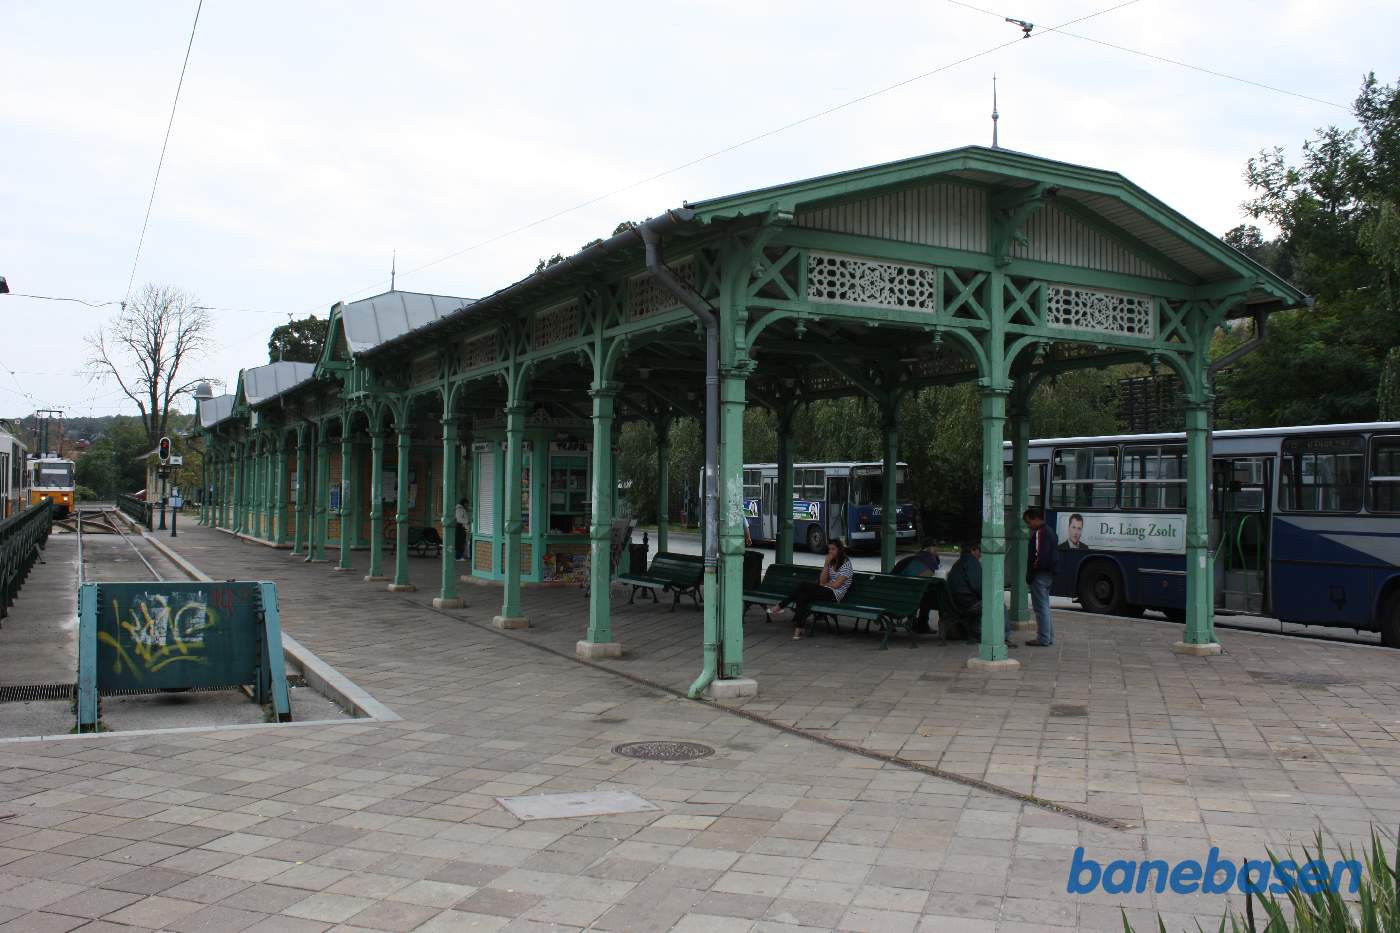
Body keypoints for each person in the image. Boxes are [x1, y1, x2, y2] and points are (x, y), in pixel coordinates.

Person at [768, 539, 854, 639]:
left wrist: (825, 584)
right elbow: (822, 580)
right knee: (802, 596)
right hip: (825, 591)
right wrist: (826, 564)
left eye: (833, 549)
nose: (830, 552)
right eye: (829, 549)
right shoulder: (831, 562)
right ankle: (798, 629)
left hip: (835, 595)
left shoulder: (846, 564)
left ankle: (781, 606)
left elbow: (836, 585)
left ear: (840, 550)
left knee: (803, 585)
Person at [1024, 507, 1058, 646]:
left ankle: (1043, 638)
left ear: (1035, 519)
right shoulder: (1050, 531)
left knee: (1040, 607)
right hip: (1049, 573)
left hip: (1040, 574)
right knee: (1045, 606)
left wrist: (1032, 571)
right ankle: (1049, 637)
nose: (1028, 525)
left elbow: (1039, 556)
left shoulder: (1040, 533)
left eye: (1028, 522)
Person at [895, 538, 942, 633]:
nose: (937, 551)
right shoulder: (929, 560)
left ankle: (913, 621)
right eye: (935, 549)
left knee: (916, 591)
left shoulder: (911, 559)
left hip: (892, 594)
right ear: (931, 549)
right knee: (928, 595)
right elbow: (933, 578)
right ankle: (922, 624)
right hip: (909, 596)